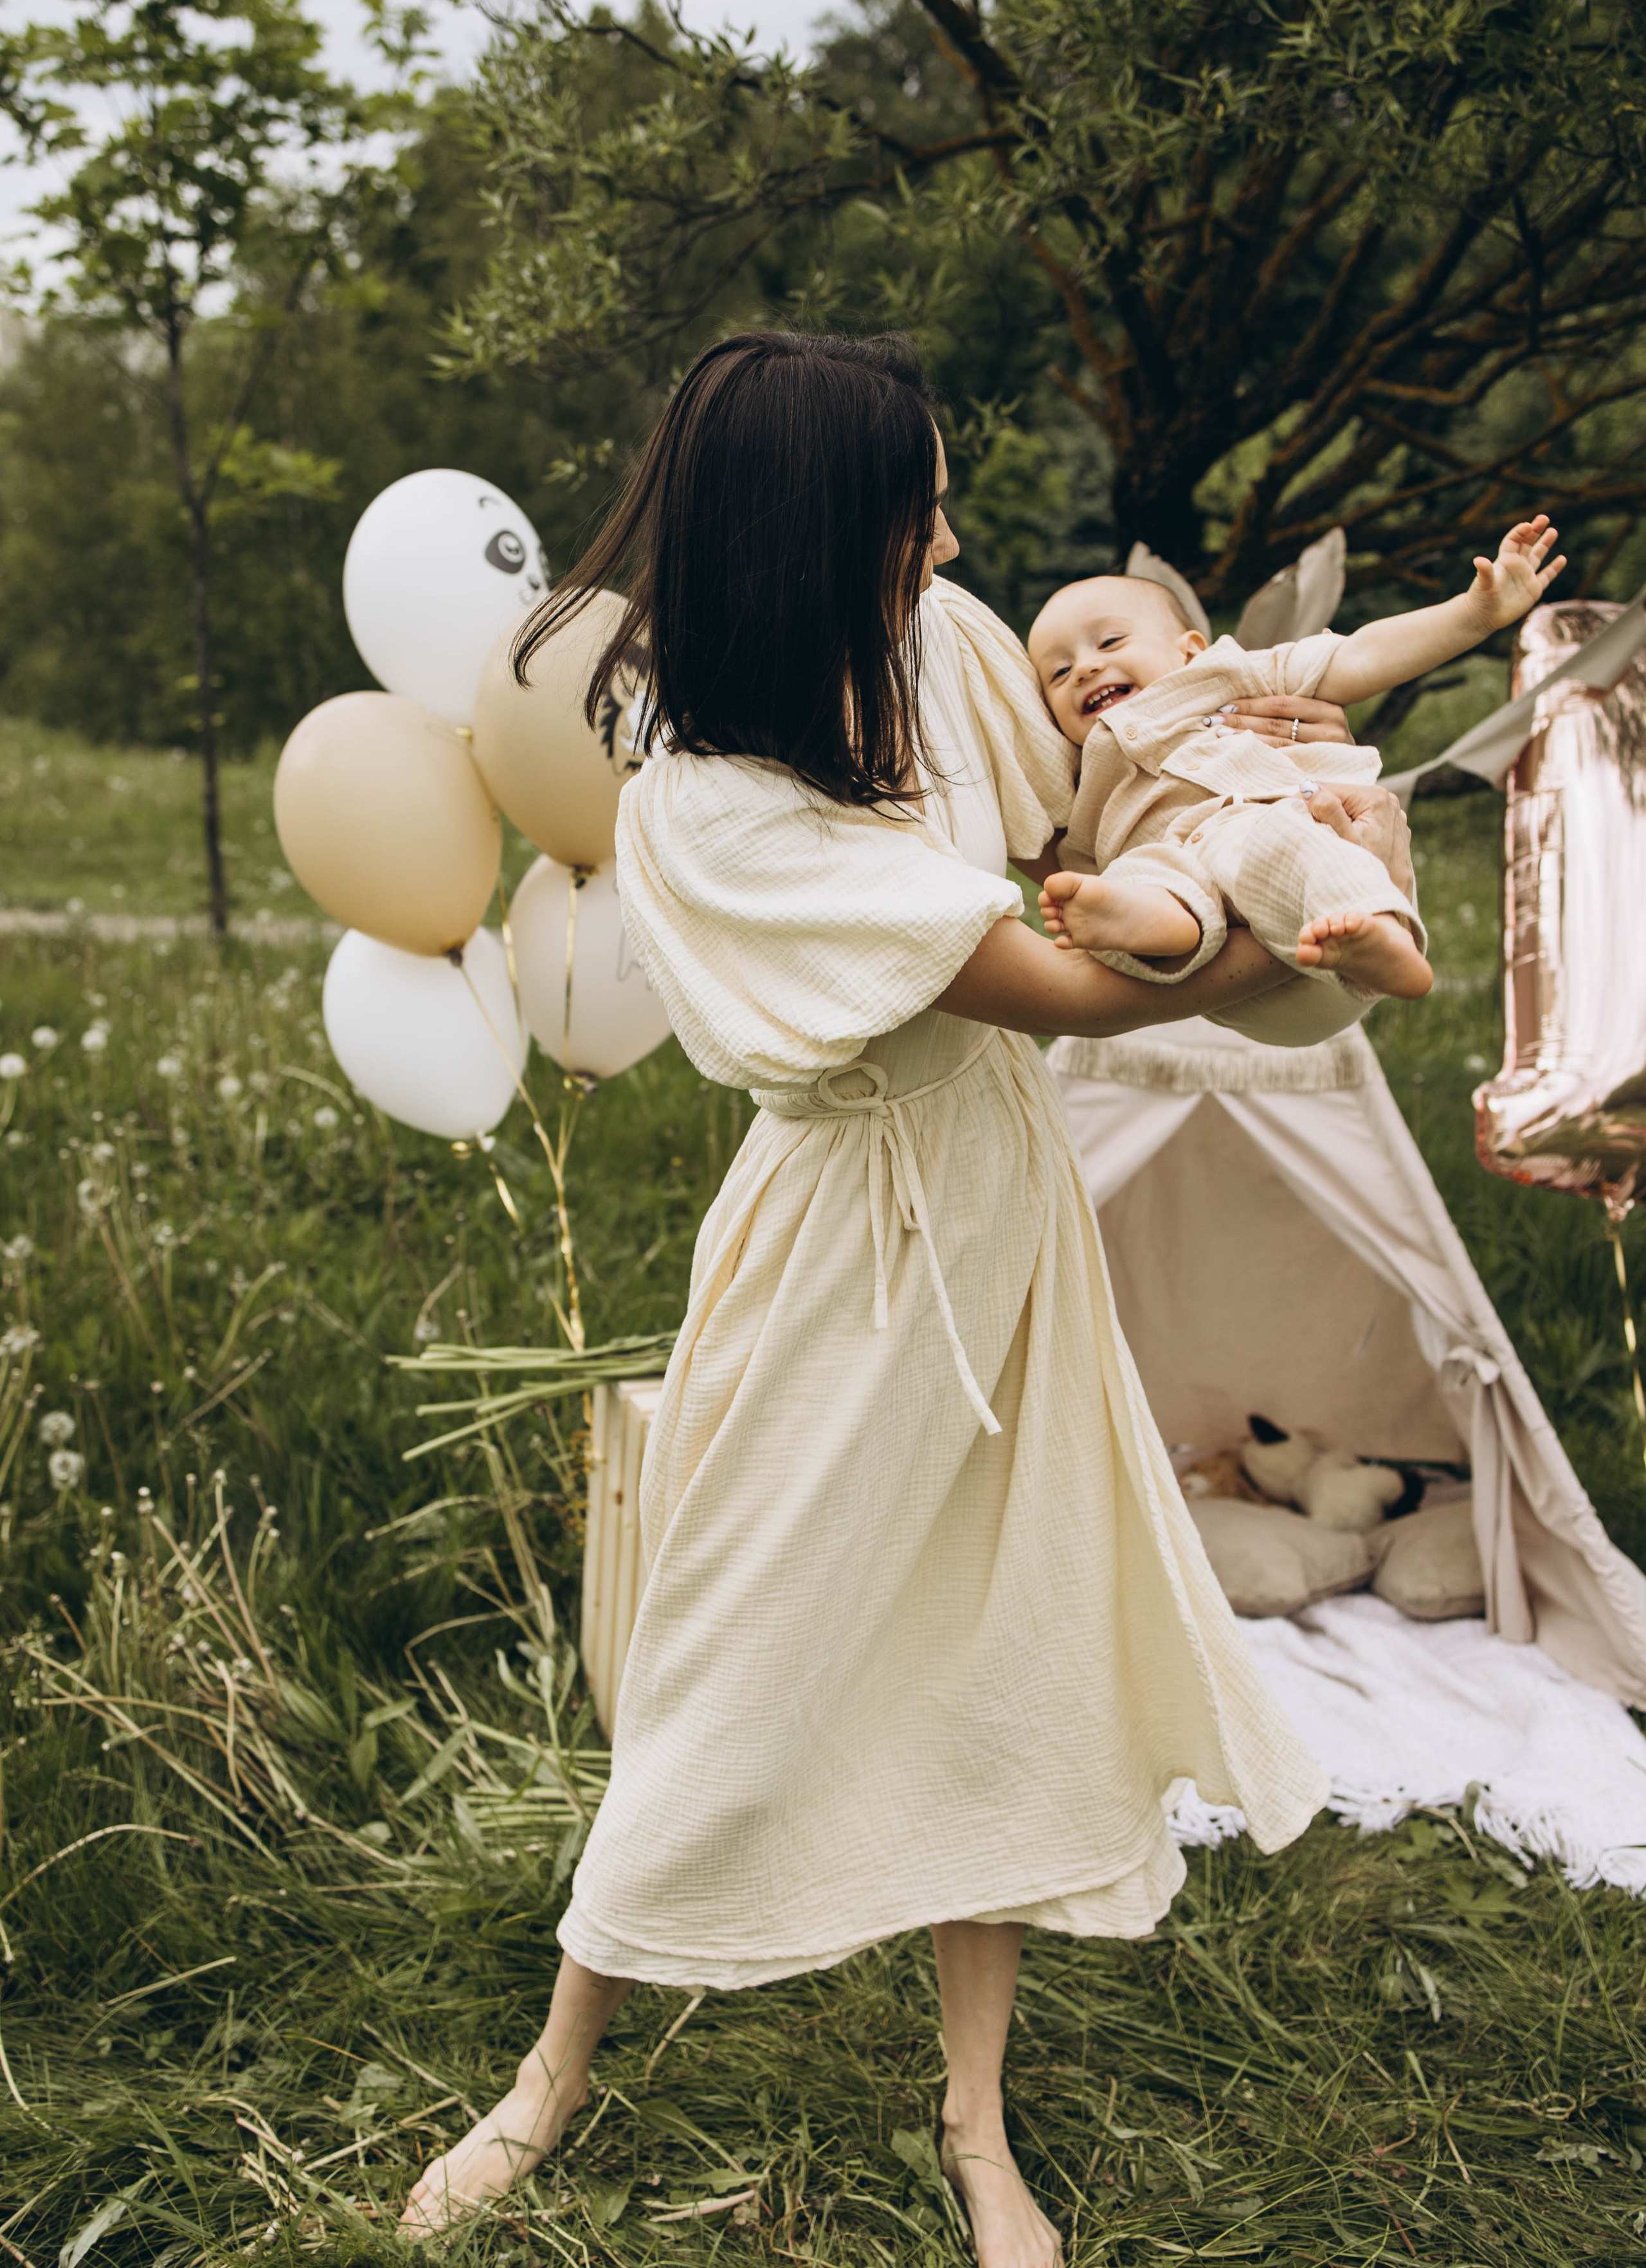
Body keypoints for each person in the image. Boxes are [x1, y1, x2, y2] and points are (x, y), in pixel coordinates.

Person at [399, 332, 1416, 2265]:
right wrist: (1271, 933)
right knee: (729, 1657)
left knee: (1000, 1645)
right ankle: (549, 2072)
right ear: (811, 540)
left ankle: (973, 2121)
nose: (951, 536)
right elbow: (1064, 989)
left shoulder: (933, 640)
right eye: (917, 506)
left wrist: (1261, 801)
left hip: (1001, 1215)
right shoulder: (709, 806)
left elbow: (1072, 830)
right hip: (842, 1247)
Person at [1026, 525, 1564, 1048]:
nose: (1085, 669)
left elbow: (1359, 656)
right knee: (1131, 879)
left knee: (1287, 837)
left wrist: (1474, 615)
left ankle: (1374, 934)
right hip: (1216, 965)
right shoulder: (1080, 766)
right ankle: (1156, 923)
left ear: (1191, 650)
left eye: (1110, 641)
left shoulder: (1224, 676)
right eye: (1059, 672)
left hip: (1271, 860)